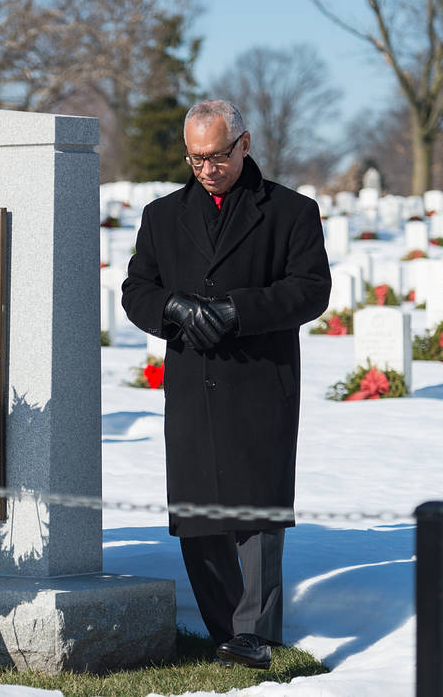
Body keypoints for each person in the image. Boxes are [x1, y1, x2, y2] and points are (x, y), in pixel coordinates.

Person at [121, 100, 331, 669]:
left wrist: (239, 311)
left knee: (256, 512)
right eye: (195, 159)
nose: (207, 168)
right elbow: (135, 290)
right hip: (194, 381)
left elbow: (311, 289)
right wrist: (173, 307)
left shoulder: (291, 211)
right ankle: (223, 628)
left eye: (216, 156)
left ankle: (256, 635)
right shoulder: (162, 216)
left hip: (261, 378)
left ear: (244, 144)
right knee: (198, 511)